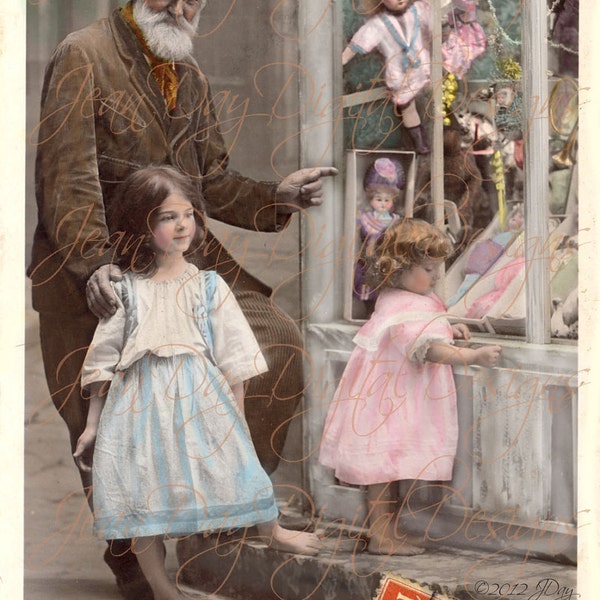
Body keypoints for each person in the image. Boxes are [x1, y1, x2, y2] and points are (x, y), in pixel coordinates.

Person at [27, 1, 336, 597]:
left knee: (275, 343)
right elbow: (66, 176)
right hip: (89, 272)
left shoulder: (187, 74)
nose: (180, 5)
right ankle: (135, 564)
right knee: (109, 422)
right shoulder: (83, 53)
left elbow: (211, 179)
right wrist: (97, 265)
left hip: (182, 263)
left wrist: (278, 196)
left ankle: (215, 513)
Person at [72, 165, 321, 600]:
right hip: (138, 408)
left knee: (236, 468)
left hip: (201, 401)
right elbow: (103, 359)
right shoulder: (127, 291)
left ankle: (273, 528)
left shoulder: (208, 286)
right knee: (141, 492)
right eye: (168, 217)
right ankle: (162, 586)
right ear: (143, 228)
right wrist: (93, 425)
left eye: (188, 214)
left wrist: (237, 415)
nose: (182, 224)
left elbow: (235, 355)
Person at [319, 219, 501, 555]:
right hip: (388, 401)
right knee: (383, 472)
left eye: (437, 268)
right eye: (427, 269)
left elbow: (429, 327)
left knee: (392, 469)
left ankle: (390, 531)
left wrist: (450, 327)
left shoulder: (407, 297)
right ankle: (381, 535)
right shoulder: (400, 306)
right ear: (398, 270)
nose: (435, 276)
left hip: (396, 397)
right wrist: (470, 355)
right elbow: (425, 347)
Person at [342, 0, 433, 154]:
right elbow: (359, 42)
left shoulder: (417, 10)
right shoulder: (378, 24)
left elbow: (434, 21)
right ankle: (420, 143)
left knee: (432, 99)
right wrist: (342, 59)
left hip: (423, 68)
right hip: (401, 75)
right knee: (408, 108)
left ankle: (434, 135)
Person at [353, 157, 404, 303]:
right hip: (367, 262)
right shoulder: (364, 217)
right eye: (378, 199)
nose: (382, 204)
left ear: (393, 201)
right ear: (370, 199)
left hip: (386, 261)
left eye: (386, 200)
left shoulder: (395, 220)